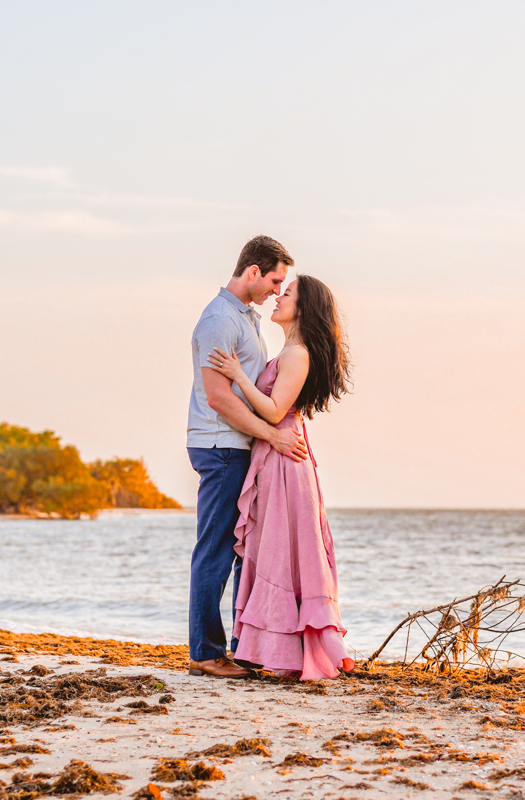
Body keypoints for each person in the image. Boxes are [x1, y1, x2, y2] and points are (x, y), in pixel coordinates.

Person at [206, 274, 354, 680]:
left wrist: (236, 375)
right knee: (276, 550)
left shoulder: (298, 354)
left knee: (284, 550)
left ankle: (291, 652)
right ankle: (278, 651)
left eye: (286, 294)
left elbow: (273, 411)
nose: (277, 297)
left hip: (286, 459)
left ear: (302, 308)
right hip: (277, 455)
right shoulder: (288, 350)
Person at [187, 235, 309, 679]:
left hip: (239, 445)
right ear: (253, 272)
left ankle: (244, 647)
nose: (278, 289)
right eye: (275, 280)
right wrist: (272, 437)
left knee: (244, 549)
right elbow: (219, 398)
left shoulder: (245, 319)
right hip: (221, 445)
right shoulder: (220, 319)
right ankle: (204, 651)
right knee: (217, 547)